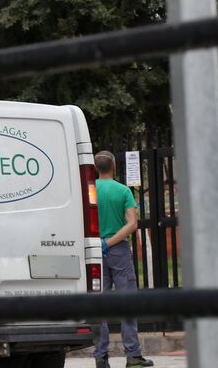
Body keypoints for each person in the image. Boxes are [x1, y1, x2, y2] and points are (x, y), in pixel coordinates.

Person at [93, 150, 154, 368]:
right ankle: (133, 355)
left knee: (98, 304)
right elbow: (132, 223)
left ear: (95, 168)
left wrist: (99, 243)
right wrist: (109, 243)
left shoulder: (89, 191)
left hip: (94, 252)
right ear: (114, 167)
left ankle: (100, 357)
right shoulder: (123, 191)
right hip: (117, 250)